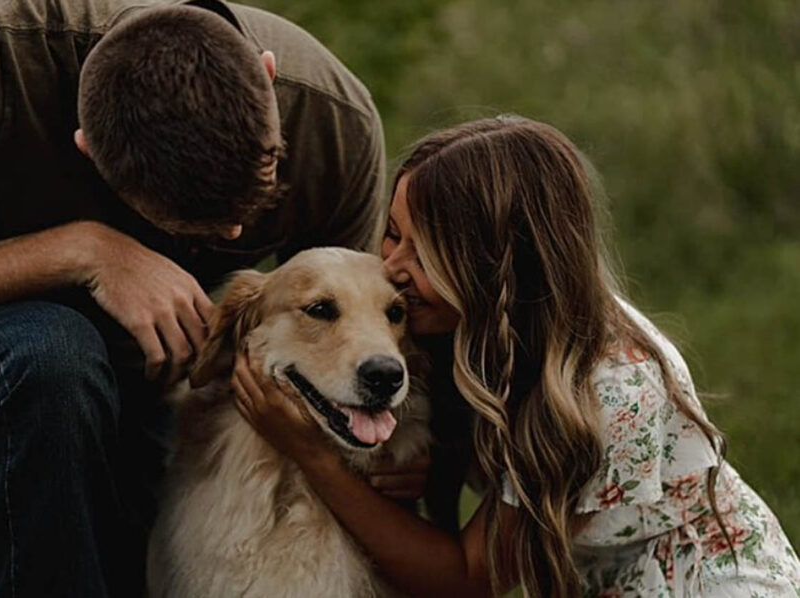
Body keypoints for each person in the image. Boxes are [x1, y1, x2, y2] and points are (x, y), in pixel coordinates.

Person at [0, 0, 385, 595]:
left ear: (266, 72)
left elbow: (347, 343)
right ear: (87, 148)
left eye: (262, 178)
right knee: (53, 354)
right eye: (197, 229)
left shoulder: (338, 124)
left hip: (159, 382)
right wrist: (82, 252)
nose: (235, 236)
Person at [232, 115, 800, 597]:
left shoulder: (612, 385)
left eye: (424, 253)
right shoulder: (455, 319)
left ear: (496, 264)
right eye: (391, 233)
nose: (394, 267)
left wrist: (315, 456)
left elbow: (465, 576)